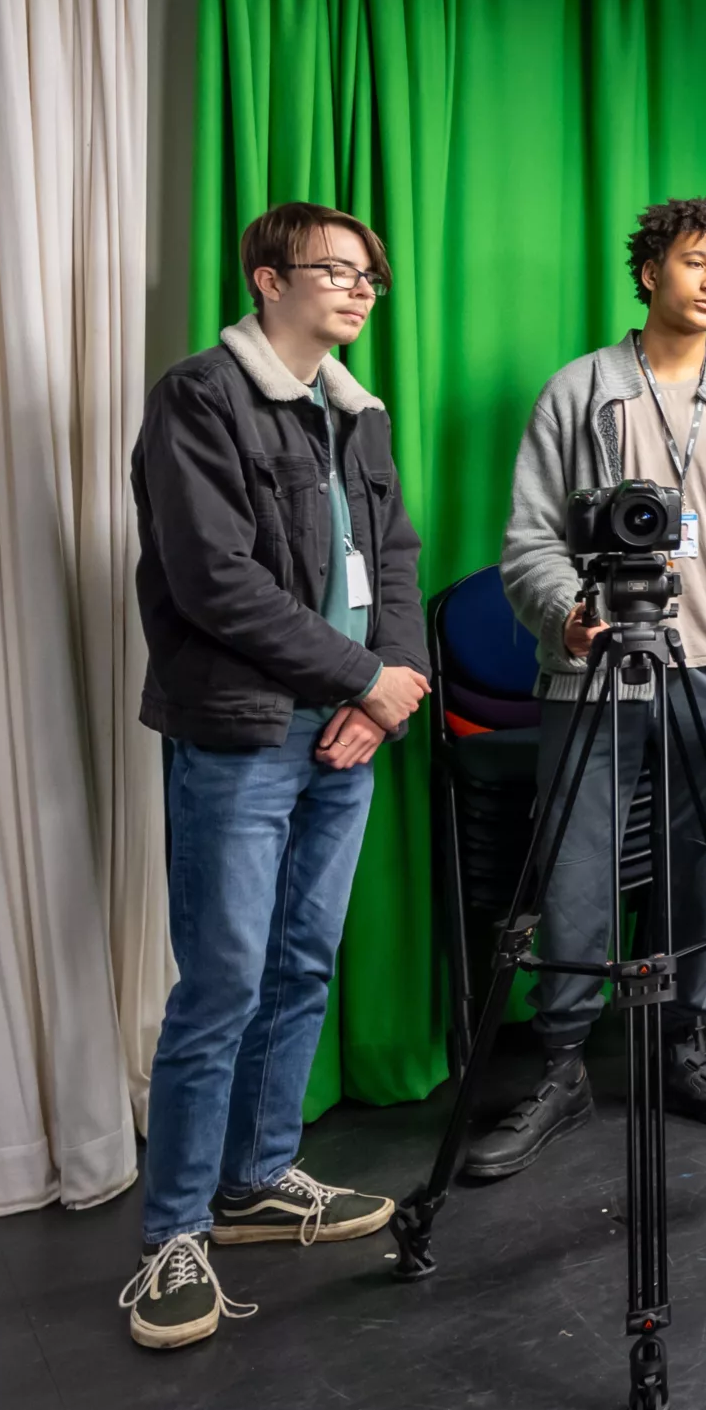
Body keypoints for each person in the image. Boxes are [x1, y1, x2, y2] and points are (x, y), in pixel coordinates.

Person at [124, 202, 429, 1349]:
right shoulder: (200, 397)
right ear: (266, 279)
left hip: (346, 732)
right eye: (335, 271)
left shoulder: (358, 416)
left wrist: (389, 687)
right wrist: (363, 675)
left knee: (305, 959)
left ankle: (255, 1182)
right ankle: (171, 1238)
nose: (357, 291)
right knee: (223, 980)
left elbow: (393, 560)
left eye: (369, 278)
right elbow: (216, 581)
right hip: (245, 732)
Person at [470, 198, 706, 1179]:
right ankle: (563, 1064)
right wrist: (563, 618)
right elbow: (529, 541)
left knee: (701, 868)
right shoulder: (578, 393)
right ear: (651, 268)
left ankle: (684, 1043)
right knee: (575, 873)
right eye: (694, 262)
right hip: (594, 673)